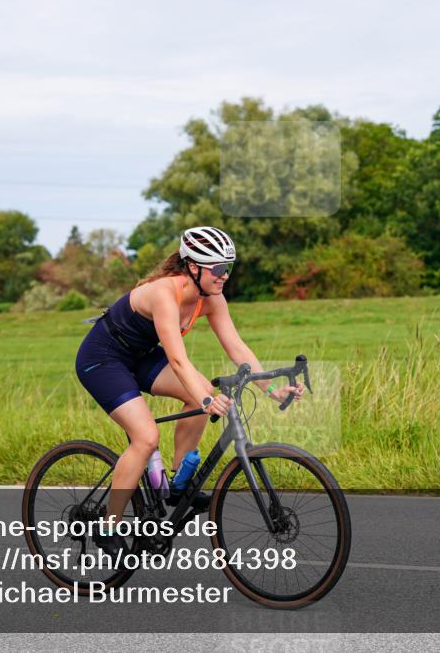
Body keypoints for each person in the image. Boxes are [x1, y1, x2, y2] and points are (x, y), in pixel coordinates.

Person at [75, 226, 304, 555]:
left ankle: (178, 486)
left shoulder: (212, 299)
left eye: (229, 267)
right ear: (193, 267)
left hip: (140, 357)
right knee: (146, 436)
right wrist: (206, 399)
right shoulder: (163, 292)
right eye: (219, 269)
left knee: (197, 393)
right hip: (103, 359)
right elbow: (177, 360)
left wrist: (273, 390)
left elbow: (237, 348)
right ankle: (108, 525)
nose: (225, 276)